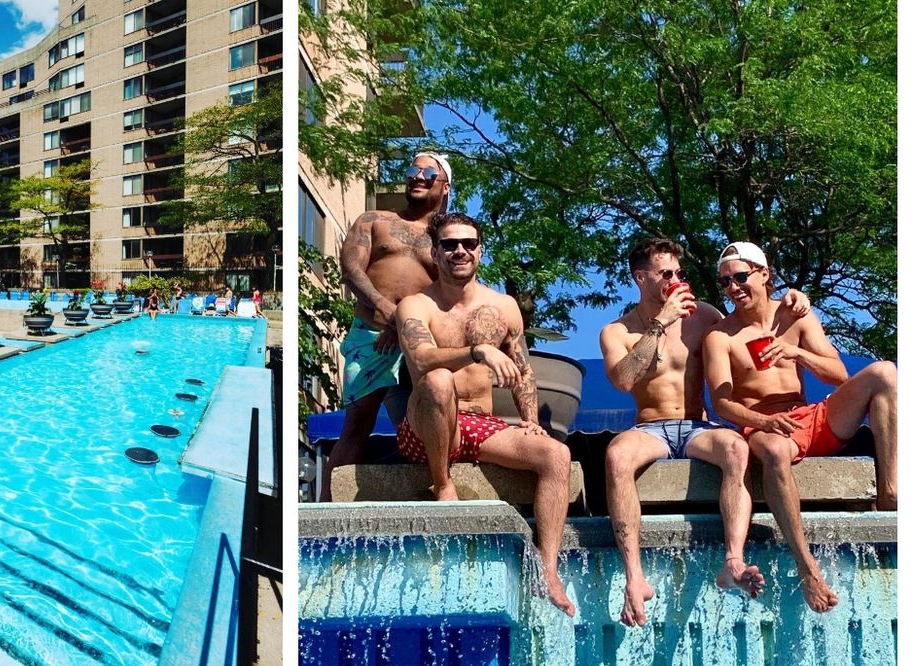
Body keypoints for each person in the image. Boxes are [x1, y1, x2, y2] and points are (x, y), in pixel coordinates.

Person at [599, 238, 811, 627]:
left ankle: (732, 560)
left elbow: (755, 315)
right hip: (650, 427)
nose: (676, 280)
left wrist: (795, 298)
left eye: (680, 273)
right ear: (640, 277)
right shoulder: (618, 330)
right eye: (666, 274)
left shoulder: (705, 316)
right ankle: (635, 578)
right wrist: (661, 322)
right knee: (616, 455)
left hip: (698, 424)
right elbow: (625, 380)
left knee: (736, 448)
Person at [394, 212, 575, 616]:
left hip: (481, 426)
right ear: (434, 252)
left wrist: (531, 420)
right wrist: (477, 351)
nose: (460, 251)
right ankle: (442, 484)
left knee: (557, 456)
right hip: (425, 426)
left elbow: (523, 370)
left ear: (480, 250)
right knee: (440, 380)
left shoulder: (504, 306)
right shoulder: (416, 305)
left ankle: (546, 569)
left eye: (468, 244)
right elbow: (421, 362)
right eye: (449, 244)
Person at [704, 241, 897, 613]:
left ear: (764, 274)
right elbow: (723, 403)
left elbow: (840, 374)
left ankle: (889, 492)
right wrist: (764, 421)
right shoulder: (720, 336)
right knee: (774, 450)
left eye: (740, 277)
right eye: (725, 282)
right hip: (763, 423)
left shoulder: (796, 315)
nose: (733, 288)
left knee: (885, 372)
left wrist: (797, 353)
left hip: (810, 416)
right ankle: (807, 568)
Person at [321, 151, 452, 501]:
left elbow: (452, 293)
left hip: (419, 343)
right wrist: (387, 309)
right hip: (372, 337)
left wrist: (408, 324)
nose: (417, 175)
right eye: (413, 169)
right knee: (356, 426)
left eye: (428, 171)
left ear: (445, 187)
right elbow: (351, 269)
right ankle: (319, 521)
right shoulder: (374, 220)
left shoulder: (447, 240)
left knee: (428, 430)